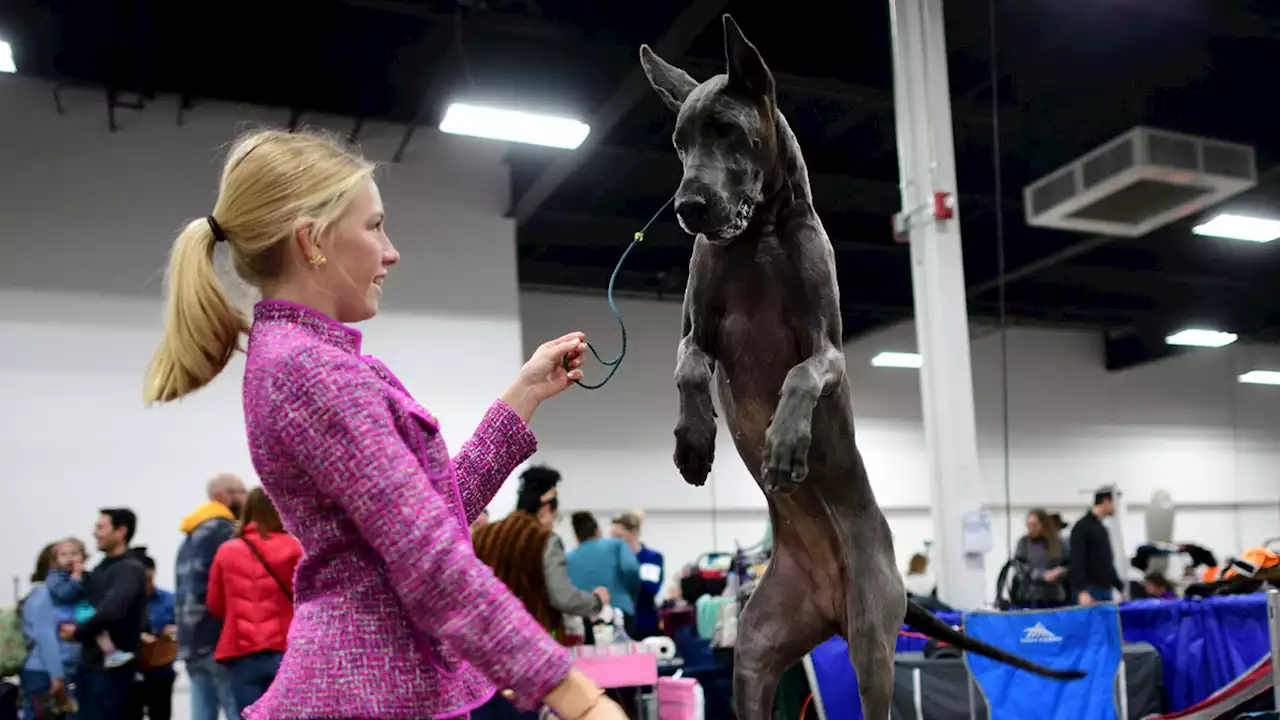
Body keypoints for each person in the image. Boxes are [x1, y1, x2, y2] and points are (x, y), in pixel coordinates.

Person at [140, 129, 624, 720]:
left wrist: (524, 394)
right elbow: (431, 559)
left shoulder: (311, 362)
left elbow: (429, 510)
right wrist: (578, 696)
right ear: (312, 240)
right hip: (368, 692)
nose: (390, 251)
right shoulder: (311, 370)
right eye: (374, 226)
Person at [207, 487, 303, 716]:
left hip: (242, 652)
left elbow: (215, 604)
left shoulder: (226, 551)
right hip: (286, 649)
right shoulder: (294, 547)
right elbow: (305, 599)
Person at [57, 509, 148, 720]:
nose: (95, 533)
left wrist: (77, 632)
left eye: (101, 527)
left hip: (112, 673)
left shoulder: (129, 569)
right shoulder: (99, 570)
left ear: (121, 531)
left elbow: (111, 611)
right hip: (90, 667)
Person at [175, 473, 244, 720]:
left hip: (190, 640)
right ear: (224, 495)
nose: (246, 498)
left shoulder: (190, 534)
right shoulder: (224, 530)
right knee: (236, 709)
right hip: (217, 637)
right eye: (241, 492)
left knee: (202, 712)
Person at [19, 543, 80, 720]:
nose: (71, 560)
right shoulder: (43, 594)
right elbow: (45, 637)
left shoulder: (68, 597)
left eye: (75, 555)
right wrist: (57, 677)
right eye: (64, 556)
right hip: (44, 673)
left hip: (63, 672)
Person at [567, 512, 641, 635]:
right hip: (620, 612)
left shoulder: (568, 559)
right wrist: (630, 595)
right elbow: (631, 568)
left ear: (576, 537)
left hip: (586, 618)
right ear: (598, 531)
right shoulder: (616, 544)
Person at [128, 549, 178, 720]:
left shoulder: (169, 599)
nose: (146, 585)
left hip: (162, 668)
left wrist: (172, 631)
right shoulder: (124, 601)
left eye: (149, 579)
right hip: (132, 671)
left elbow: (182, 627)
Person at [610, 511, 664, 639]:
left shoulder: (651, 558)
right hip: (618, 626)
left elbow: (650, 589)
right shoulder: (613, 560)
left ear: (634, 532)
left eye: (619, 537)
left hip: (644, 626)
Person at [1070, 489, 1125, 604]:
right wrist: (1082, 590)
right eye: (1114, 503)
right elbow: (1077, 559)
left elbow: (1106, 561)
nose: (1116, 507)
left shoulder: (1102, 529)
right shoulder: (1082, 527)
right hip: (1090, 589)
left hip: (1104, 588)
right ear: (1105, 501)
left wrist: (1120, 587)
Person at [1012, 508, 1070, 608]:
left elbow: (1069, 563)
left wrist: (1060, 571)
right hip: (1029, 596)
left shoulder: (1059, 543)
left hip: (1054, 596)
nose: (1032, 528)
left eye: (1035, 525)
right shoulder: (1024, 542)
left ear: (1044, 524)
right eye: (1029, 525)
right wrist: (1042, 575)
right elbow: (1019, 566)